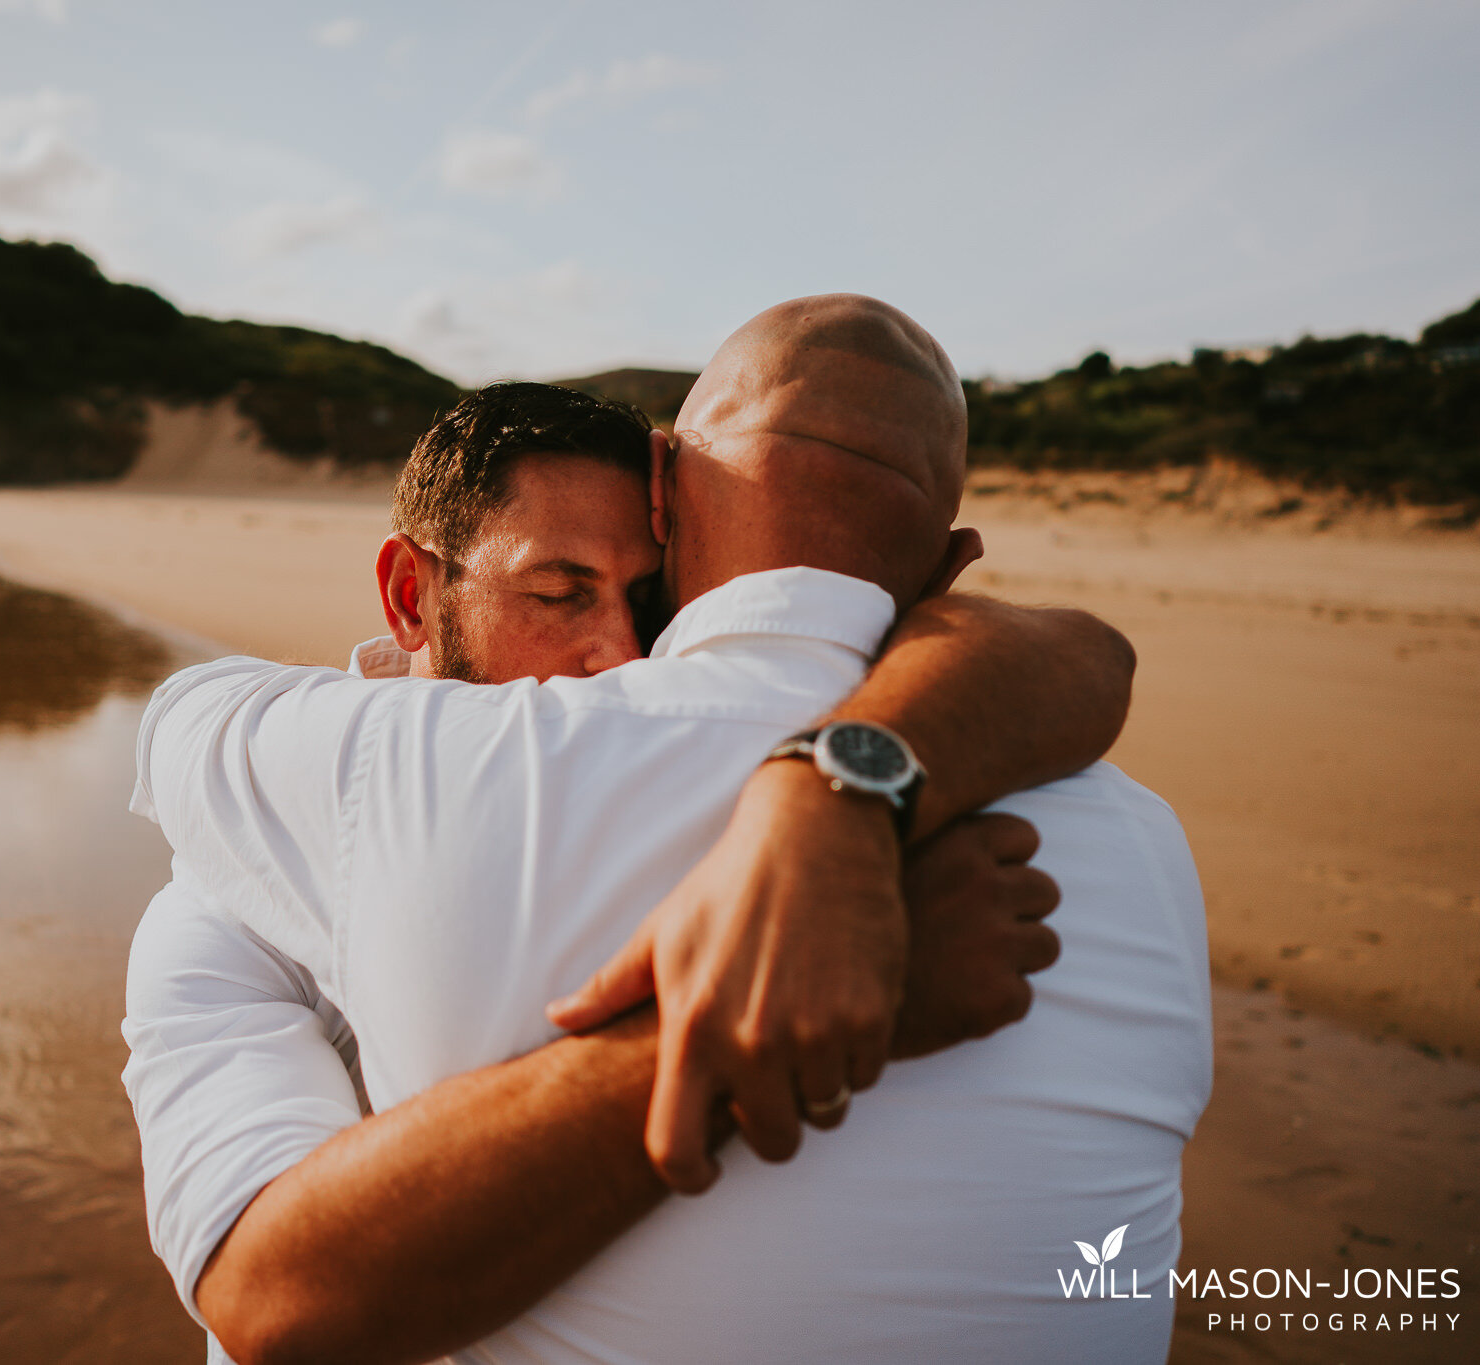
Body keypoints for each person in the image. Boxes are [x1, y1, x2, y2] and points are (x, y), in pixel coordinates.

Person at [131, 303, 1210, 1362]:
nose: (617, 651)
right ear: (950, 565)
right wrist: (780, 992)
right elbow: (267, 1300)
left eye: (639, 601)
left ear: (665, 494)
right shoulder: (1146, 847)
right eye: (558, 591)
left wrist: (824, 804)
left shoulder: (446, 772)